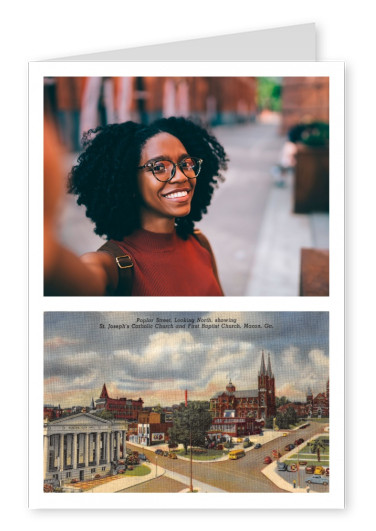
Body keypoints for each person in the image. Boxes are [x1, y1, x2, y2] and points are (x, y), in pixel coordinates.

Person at [44, 116, 228, 296]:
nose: (181, 176)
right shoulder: (111, 266)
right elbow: (74, 281)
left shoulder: (200, 243)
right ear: (129, 181)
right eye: (159, 167)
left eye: (186, 163)